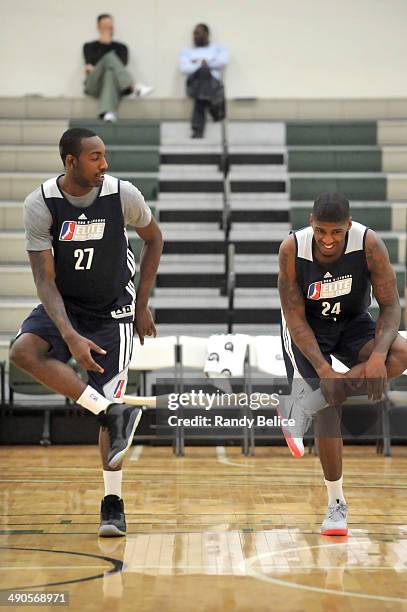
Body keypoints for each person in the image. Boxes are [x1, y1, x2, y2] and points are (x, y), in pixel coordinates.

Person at [9, 127, 163, 537]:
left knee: (108, 403)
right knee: (23, 351)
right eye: (95, 157)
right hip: (66, 304)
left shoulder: (121, 194)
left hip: (114, 310)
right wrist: (70, 335)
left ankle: (112, 503)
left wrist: (142, 304)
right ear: (70, 161)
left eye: (104, 155)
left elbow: (154, 239)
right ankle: (114, 413)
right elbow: (44, 280)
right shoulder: (40, 204)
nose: (104, 164)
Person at [278, 192, 407, 536]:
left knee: (401, 353)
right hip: (307, 329)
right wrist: (323, 371)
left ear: (348, 226)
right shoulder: (292, 249)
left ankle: (305, 404)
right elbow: (293, 316)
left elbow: (391, 306)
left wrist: (378, 354)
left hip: (352, 323)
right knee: (330, 406)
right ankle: (336, 503)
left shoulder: (369, 244)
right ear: (311, 223)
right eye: (321, 231)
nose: (328, 240)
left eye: (336, 232)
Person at [83, 14, 153, 121]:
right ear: (98, 27)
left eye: (109, 25)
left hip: (113, 84)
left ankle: (108, 113)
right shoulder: (89, 46)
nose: (107, 27)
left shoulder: (121, 47)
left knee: (110, 73)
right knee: (109, 58)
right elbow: (89, 68)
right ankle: (134, 87)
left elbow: (121, 66)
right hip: (94, 84)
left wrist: (97, 66)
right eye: (104, 25)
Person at [179, 23, 228, 138]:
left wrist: (196, 62)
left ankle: (197, 129)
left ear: (206, 34)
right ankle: (213, 107)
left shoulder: (217, 48)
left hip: (213, 85)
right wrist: (205, 63)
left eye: (198, 33)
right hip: (194, 84)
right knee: (203, 71)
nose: (196, 36)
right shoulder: (187, 51)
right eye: (194, 34)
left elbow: (223, 62)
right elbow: (184, 68)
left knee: (201, 93)